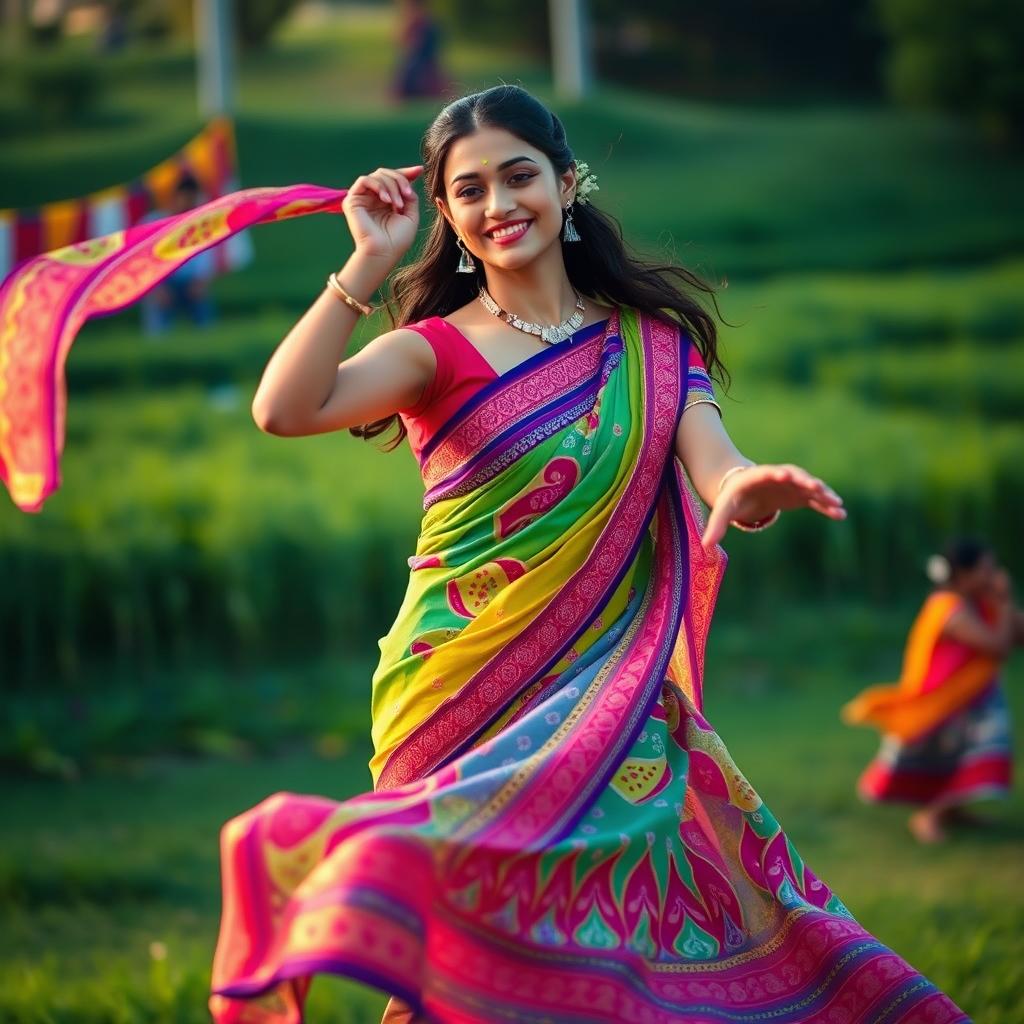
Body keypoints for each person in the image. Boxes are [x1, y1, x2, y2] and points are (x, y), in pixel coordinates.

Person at [209, 85, 969, 1023]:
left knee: (629, 925)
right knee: (468, 928)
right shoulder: (433, 352)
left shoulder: (651, 346)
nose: (500, 206)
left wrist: (747, 490)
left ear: (568, 184)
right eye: (471, 190)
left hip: (616, 689)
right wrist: (365, 263)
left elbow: (715, 464)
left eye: (520, 176)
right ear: (445, 214)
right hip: (457, 682)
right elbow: (283, 409)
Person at [844, 537, 1021, 844]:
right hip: (944, 704)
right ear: (964, 575)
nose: (994, 574)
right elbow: (997, 646)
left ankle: (953, 813)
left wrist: (1001, 606)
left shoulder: (978, 603)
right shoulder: (950, 609)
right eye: (987, 569)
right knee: (966, 752)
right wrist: (1005, 601)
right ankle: (931, 816)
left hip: (969, 701)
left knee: (966, 756)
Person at [140, 171, 216, 336]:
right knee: (158, 318)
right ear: (174, 198)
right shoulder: (154, 222)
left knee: (204, 317)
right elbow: (144, 262)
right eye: (186, 199)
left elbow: (206, 263)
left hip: (190, 283)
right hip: (162, 282)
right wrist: (157, 289)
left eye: (193, 200)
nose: (189, 204)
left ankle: (207, 341)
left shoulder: (201, 226)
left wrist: (199, 284)